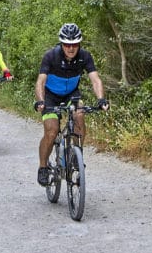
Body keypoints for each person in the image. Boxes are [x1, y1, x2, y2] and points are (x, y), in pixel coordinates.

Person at [34, 23, 108, 186]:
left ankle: (76, 156)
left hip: (71, 95)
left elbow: (95, 79)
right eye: (67, 44)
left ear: (79, 44)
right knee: (52, 131)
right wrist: (40, 101)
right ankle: (43, 167)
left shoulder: (85, 56)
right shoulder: (51, 56)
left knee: (79, 115)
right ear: (61, 43)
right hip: (50, 97)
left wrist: (101, 99)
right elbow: (41, 81)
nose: (71, 48)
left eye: (74, 44)